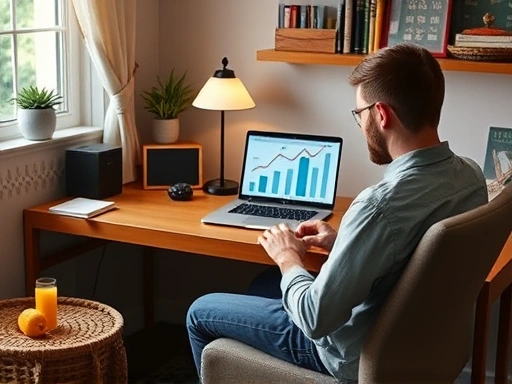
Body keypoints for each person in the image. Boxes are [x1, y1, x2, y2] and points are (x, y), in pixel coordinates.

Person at [186, 43, 488, 383]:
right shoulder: (472, 177)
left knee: (200, 310)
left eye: (359, 113)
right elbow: (412, 259)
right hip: (420, 346)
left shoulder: (378, 206)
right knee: (264, 284)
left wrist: (287, 257)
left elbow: (315, 319)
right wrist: (342, 241)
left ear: (382, 114)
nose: (360, 124)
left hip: (350, 355)